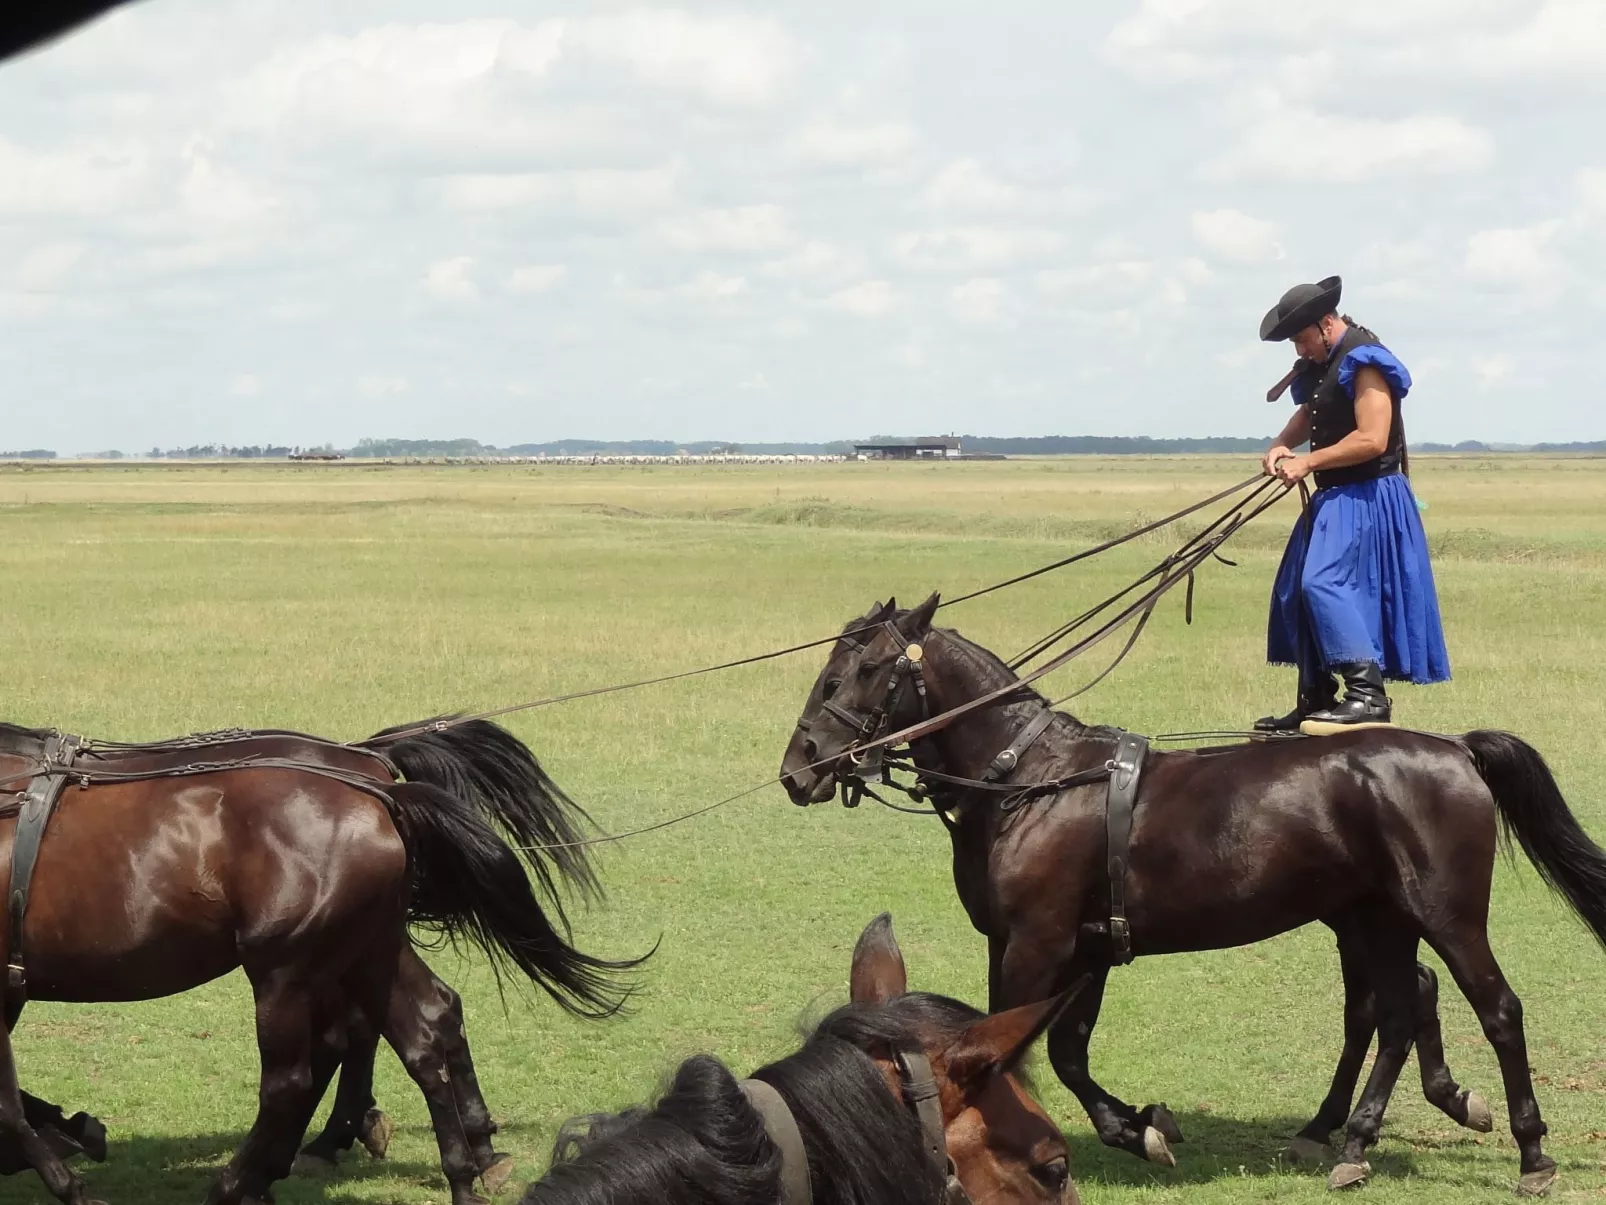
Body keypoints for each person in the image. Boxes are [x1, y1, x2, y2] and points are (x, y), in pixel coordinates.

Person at [1255, 275, 1450, 730]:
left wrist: (1307, 463)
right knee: (1294, 589)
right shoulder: (1322, 362)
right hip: (1335, 496)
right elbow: (1311, 412)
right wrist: (1282, 444)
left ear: (1326, 324)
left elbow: (1372, 438)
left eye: (1302, 340)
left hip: (1369, 494)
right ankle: (1316, 695)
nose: (1299, 351)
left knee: (1321, 585)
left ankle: (1367, 698)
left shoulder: (1365, 360)